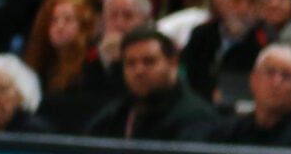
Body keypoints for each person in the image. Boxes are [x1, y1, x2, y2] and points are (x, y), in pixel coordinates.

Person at [83, 25, 217, 143]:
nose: (139, 71)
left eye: (149, 62)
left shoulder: (197, 119)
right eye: (130, 63)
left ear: (173, 64)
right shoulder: (114, 117)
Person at [213, 44, 291, 148]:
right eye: (270, 72)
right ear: (253, 80)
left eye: (286, 76)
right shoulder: (227, 134)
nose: (276, 83)